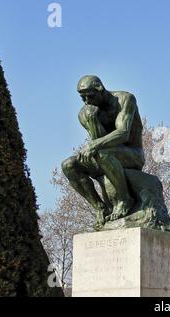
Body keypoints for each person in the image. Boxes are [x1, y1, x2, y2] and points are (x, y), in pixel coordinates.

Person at [62, 75, 145, 230]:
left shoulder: (125, 99)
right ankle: (100, 207)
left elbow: (123, 133)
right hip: (105, 156)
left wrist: (93, 146)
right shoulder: (85, 113)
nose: (87, 101)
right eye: (83, 98)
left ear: (100, 88)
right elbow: (98, 139)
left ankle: (124, 199)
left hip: (132, 154)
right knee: (69, 165)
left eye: (90, 96)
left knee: (102, 152)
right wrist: (92, 120)